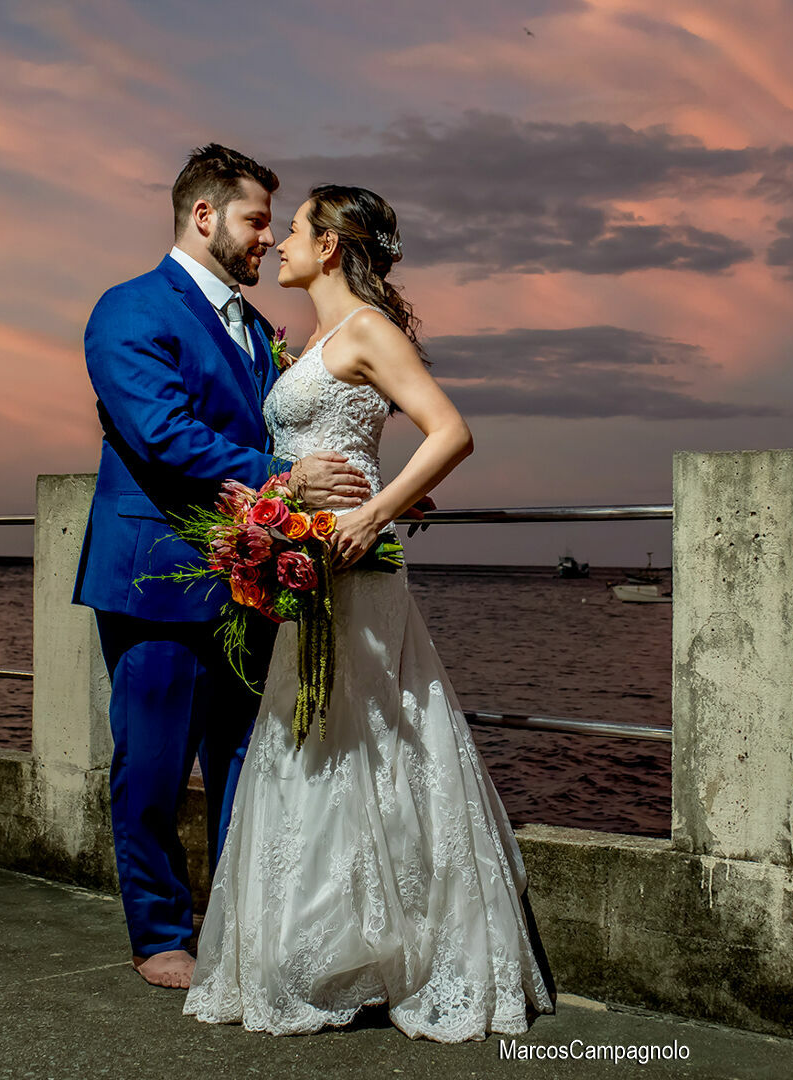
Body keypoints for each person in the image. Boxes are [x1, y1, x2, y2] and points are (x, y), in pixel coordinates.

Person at [183, 185, 555, 1040]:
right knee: (316, 736)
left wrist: (376, 510)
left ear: (332, 247)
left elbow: (449, 431)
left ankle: (395, 951)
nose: (278, 242)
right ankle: (324, 947)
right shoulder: (313, 341)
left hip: (355, 563)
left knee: (373, 736)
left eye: (296, 230)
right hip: (306, 567)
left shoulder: (366, 333)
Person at [73, 145, 376, 990]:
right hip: (156, 580)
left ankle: (242, 923)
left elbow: (286, 429)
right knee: (154, 769)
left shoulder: (252, 327)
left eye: (273, 225)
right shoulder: (130, 309)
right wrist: (286, 480)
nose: (265, 239)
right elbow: (162, 435)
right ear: (204, 216)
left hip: (251, 585)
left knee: (250, 760)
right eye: (253, 220)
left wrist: (371, 493)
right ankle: (160, 935)